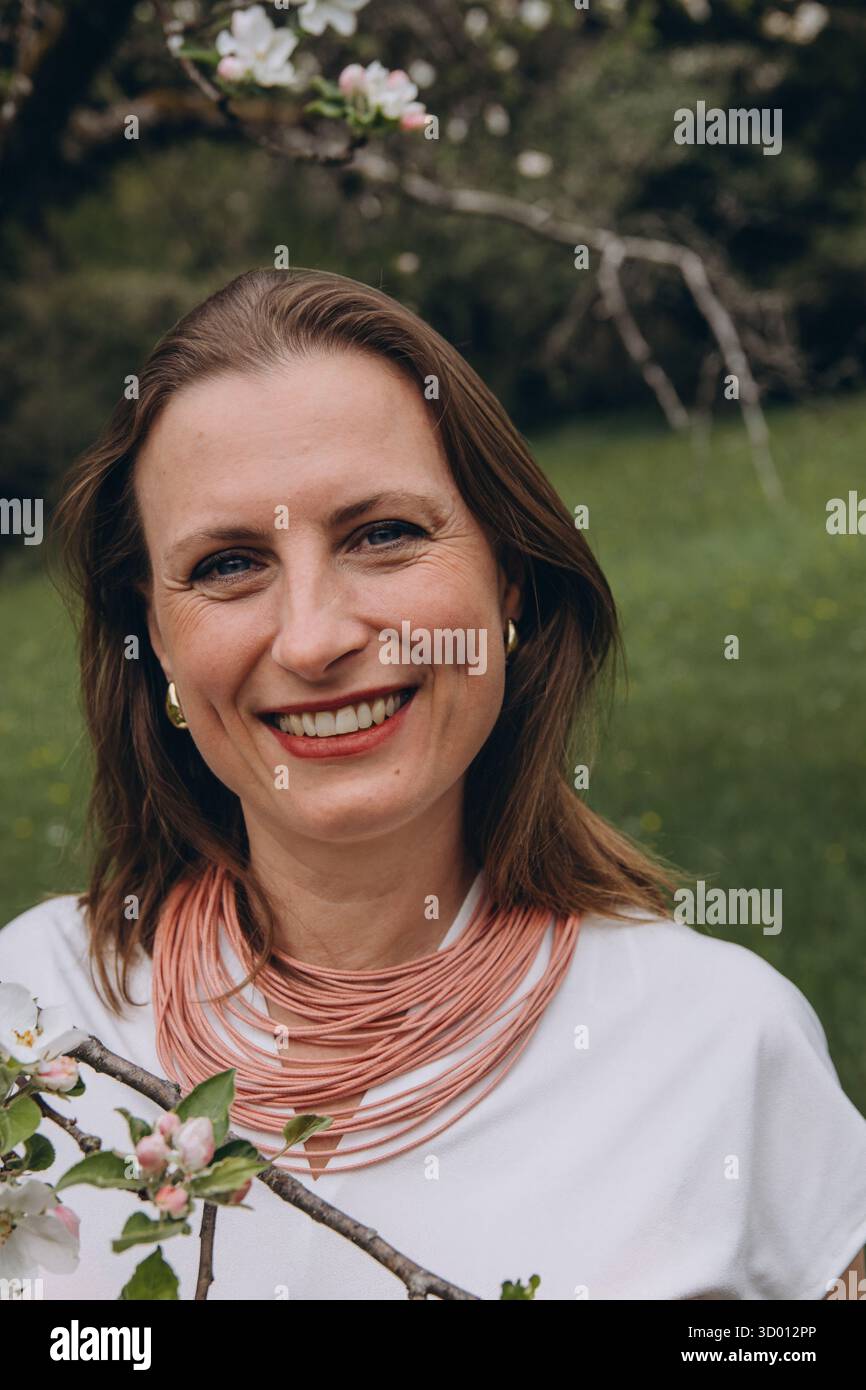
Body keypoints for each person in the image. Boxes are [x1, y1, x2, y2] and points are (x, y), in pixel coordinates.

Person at [1, 268, 865, 1301]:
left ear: (506, 576)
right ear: (156, 643)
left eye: (382, 535)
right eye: (229, 563)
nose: (315, 637)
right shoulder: (31, 1018)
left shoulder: (722, 1046)